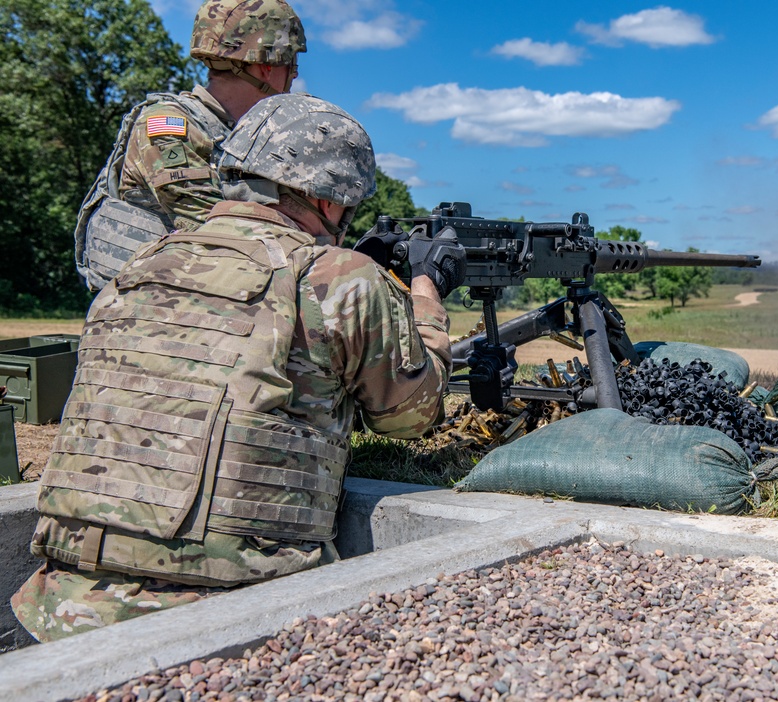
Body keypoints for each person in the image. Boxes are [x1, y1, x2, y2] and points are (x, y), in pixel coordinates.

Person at [12, 93, 466, 642]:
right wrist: (425, 295)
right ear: (326, 200)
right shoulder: (337, 276)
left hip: (58, 606)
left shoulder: (141, 263)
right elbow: (412, 416)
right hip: (228, 611)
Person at [76, 0, 307, 289]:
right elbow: (212, 230)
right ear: (265, 67)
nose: (295, 75)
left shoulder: (244, 136)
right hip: (152, 313)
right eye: (292, 63)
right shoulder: (167, 124)